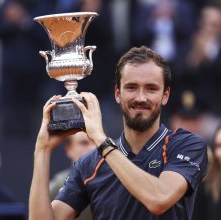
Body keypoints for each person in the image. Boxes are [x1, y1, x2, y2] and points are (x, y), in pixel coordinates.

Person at [29, 46, 208, 219]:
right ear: (117, 93)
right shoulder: (89, 164)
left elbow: (159, 200)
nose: (141, 97)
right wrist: (42, 150)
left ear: (165, 95)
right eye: (131, 87)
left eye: (151, 89)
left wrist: (100, 139)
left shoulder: (187, 144)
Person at [49, 131, 96, 200]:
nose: (93, 148)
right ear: (68, 149)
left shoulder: (113, 178)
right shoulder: (59, 184)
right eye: (84, 143)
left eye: (97, 142)